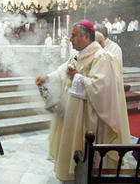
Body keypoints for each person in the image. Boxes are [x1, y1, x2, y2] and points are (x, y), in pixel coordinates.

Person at [35, 20, 131, 183]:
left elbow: (101, 87)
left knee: (86, 148)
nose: (70, 39)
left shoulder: (102, 57)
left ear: (86, 36)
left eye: (73, 35)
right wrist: (47, 78)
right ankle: (73, 173)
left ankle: (91, 175)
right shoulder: (77, 54)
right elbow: (62, 72)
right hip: (74, 114)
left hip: (89, 117)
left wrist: (77, 77)